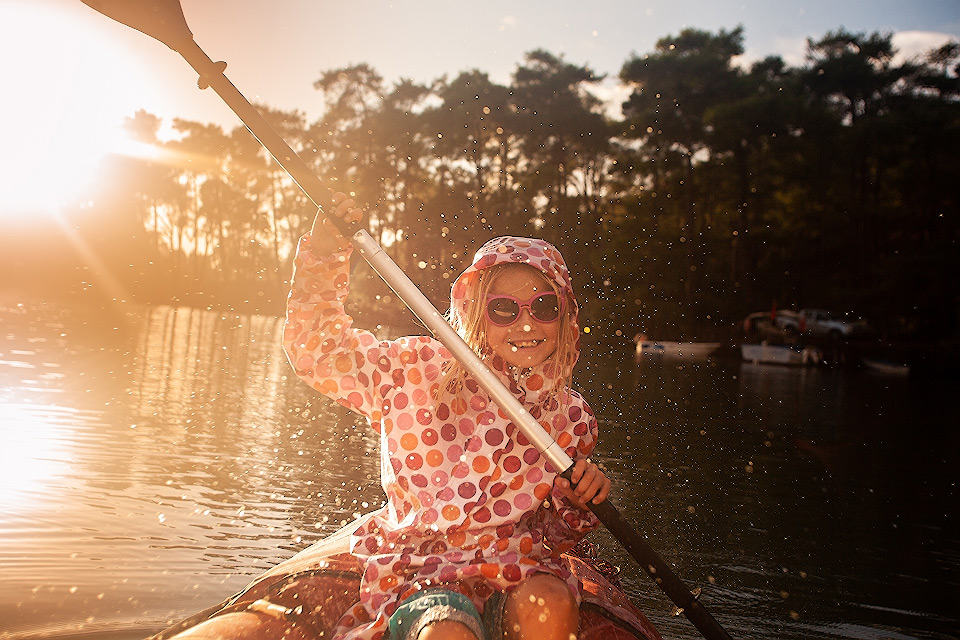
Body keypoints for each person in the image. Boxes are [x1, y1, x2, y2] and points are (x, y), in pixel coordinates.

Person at [283, 193, 611, 640]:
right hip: (421, 564)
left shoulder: (571, 418)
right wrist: (325, 251)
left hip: (516, 561)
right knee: (447, 631)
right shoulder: (415, 369)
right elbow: (317, 351)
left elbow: (552, 534)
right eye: (503, 309)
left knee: (551, 607)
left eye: (544, 307)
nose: (527, 324)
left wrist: (577, 506)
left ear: (565, 315)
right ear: (476, 311)